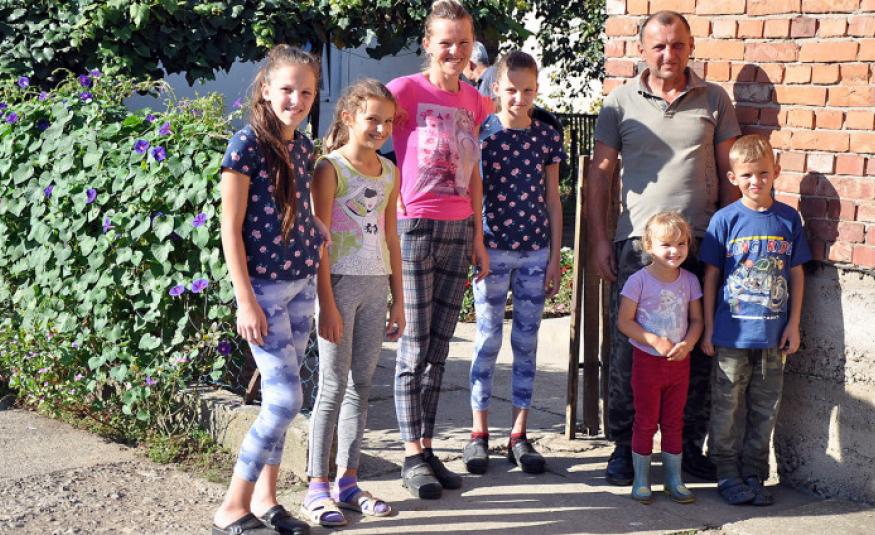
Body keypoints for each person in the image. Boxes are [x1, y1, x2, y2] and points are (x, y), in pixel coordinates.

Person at [588, 9, 741, 485]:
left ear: (690, 47)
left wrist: (728, 241)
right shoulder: (619, 102)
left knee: (694, 348)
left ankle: (687, 447)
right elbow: (600, 175)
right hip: (639, 245)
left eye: (677, 45)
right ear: (642, 50)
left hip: (700, 242)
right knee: (630, 351)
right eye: (658, 45)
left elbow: (731, 174)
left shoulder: (714, 99)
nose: (668, 54)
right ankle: (623, 447)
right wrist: (600, 240)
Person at [213, 44, 323, 535]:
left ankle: (266, 499)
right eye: (287, 89)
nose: (296, 100)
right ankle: (232, 506)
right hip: (264, 291)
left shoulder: (303, 146)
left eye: (306, 92)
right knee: (284, 401)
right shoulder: (246, 145)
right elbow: (230, 228)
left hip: (301, 284)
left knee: (279, 402)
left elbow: (296, 206)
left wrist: (315, 228)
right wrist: (245, 300)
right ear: (265, 90)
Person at [386, 0, 493, 500]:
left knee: (439, 348)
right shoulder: (403, 91)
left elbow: (473, 175)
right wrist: (387, 198)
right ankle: (411, 454)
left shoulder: (475, 101)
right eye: (445, 42)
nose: (455, 50)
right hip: (414, 230)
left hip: (458, 230)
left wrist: (478, 236)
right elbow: (360, 134)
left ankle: (427, 448)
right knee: (413, 348)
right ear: (428, 43)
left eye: (463, 42)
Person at [303, 79, 404, 527]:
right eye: (372, 119)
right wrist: (326, 303)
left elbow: (391, 236)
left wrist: (398, 299)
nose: (381, 128)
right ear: (348, 118)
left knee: (361, 387)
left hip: (375, 285)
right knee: (332, 387)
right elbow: (319, 241)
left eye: (388, 121)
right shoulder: (330, 168)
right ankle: (316, 486)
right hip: (340, 287)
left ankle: (348, 480)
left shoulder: (389, 171)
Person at [462, 50, 565, 476]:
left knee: (526, 342)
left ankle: (519, 434)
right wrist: (477, 245)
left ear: (536, 90)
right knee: (487, 341)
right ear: (495, 88)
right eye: (511, 90)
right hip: (493, 252)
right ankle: (478, 432)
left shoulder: (546, 137)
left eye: (527, 90)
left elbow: (553, 199)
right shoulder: (483, 134)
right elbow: (474, 195)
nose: (519, 98)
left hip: (535, 253)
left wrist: (555, 256)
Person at [699, 134, 811, 506]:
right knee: (727, 405)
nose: (755, 181)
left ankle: (754, 473)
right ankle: (726, 472)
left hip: (773, 337)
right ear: (733, 177)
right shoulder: (724, 220)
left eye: (763, 173)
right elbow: (711, 277)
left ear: (776, 171)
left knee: (765, 408)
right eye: (747, 175)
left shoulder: (788, 218)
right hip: (731, 335)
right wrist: (709, 328)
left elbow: (796, 274)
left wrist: (793, 324)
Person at [617, 212, 703, 504]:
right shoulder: (638, 281)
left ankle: (673, 480)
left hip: (679, 363)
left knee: (674, 421)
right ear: (649, 246)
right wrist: (653, 340)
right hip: (647, 363)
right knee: (645, 421)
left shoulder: (690, 281)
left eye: (681, 244)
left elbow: (697, 320)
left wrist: (688, 344)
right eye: (666, 244)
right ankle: (642, 480)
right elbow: (624, 322)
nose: (674, 251)